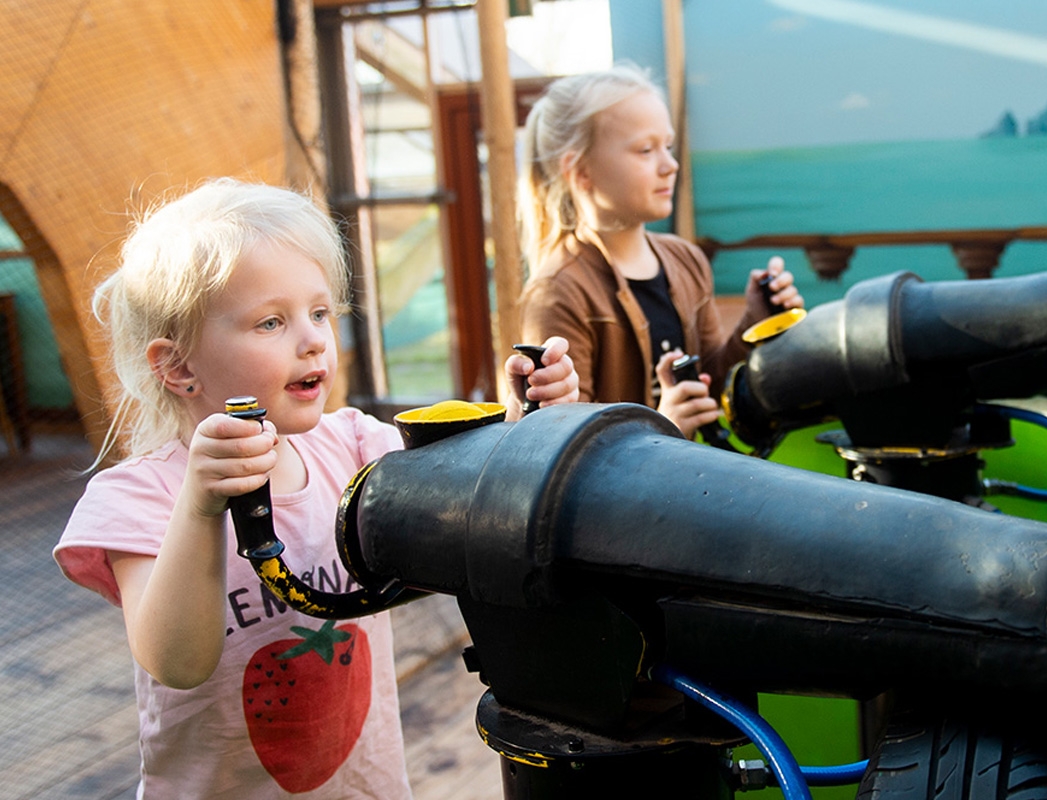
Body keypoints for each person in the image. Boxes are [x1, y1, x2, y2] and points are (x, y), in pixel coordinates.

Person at [53, 178, 579, 799]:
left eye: (321, 312)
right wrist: (200, 507)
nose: (312, 340)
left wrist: (530, 424)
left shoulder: (353, 444)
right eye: (271, 321)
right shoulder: (141, 497)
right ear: (177, 366)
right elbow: (178, 663)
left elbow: (473, 497)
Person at [517, 63, 803, 439]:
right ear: (581, 171)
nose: (670, 165)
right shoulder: (559, 291)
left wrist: (754, 321)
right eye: (646, 150)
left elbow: (711, 385)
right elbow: (561, 443)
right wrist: (660, 429)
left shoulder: (686, 261)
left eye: (666, 147)